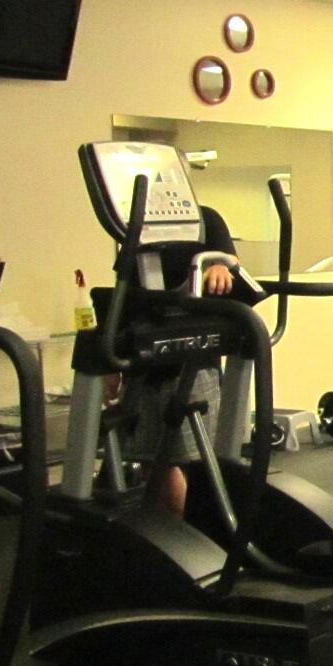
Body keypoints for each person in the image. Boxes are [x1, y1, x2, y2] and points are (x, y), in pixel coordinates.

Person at [110, 204, 239, 518]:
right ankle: (163, 533)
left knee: (175, 460)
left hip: (194, 356)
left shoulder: (206, 218)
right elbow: (124, 296)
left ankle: (176, 533)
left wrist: (220, 267)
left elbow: (227, 263)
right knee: (153, 458)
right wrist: (112, 365)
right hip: (145, 357)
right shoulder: (137, 225)